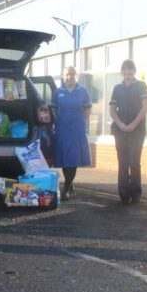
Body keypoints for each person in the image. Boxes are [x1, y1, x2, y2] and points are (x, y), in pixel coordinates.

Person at [109, 60, 147, 203]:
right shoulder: (117, 88)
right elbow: (112, 110)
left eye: (130, 70)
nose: (127, 73)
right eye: (125, 70)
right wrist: (120, 124)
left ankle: (136, 193)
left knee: (134, 161)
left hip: (137, 130)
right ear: (122, 72)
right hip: (120, 130)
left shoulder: (141, 86)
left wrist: (133, 124)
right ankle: (124, 194)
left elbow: (145, 107)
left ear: (134, 71)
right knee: (123, 162)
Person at [52, 66, 92, 201]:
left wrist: (79, 121)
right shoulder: (57, 92)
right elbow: (53, 110)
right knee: (65, 159)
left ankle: (66, 189)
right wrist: (59, 121)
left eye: (73, 74)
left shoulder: (83, 91)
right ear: (64, 76)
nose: (70, 77)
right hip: (62, 129)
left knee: (73, 158)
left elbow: (88, 110)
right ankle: (71, 185)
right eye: (68, 74)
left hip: (77, 129)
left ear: (76, 76)